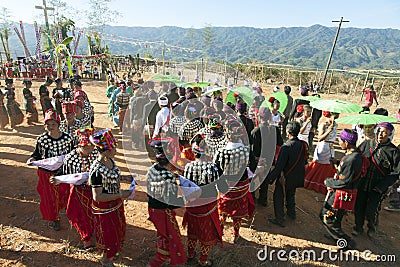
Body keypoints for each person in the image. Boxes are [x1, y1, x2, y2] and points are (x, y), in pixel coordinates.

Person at [88, 129, 133, 267]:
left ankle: (114, 253)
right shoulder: (96, 171)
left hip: (115, 204)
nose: (116, 151)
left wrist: (125, 178)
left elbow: (112, 176)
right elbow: (98, 196)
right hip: (105, 209)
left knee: (117, 230)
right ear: (106, 151)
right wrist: (121, 194)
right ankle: (106, 259)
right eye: (113, 148)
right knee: (108, 234)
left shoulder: (110, 161)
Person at [26, 109, 74, 231]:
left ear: (59, 125)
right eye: (48, 124)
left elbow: (72, 154)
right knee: (49, 197)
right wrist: (32, 159)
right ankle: (53, 218)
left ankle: (68, 212)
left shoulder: (68, 138)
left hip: (63, 172)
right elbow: (36, 154)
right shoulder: (41, 139)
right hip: (46, 174)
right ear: (44, 125)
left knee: (65, 193)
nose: (51, 127)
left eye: (53, 124)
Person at [353, 122, 400, 238]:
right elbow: (356, 157)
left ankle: (371, 227)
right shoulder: (367, 144)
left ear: (389, 134)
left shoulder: (393, 151)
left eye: (384, 132)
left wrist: (384, 186)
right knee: (359, 205)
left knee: (372, 209)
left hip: (378, 186)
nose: (380, 134)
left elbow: (396, 172)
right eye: (379, 131)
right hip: (363, 182)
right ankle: (358, 227)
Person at [146, 140, 187, 267]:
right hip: (164, 212)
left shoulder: (152, 169)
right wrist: (188, 197)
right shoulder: (168, 176)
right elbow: (172, 202)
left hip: (153, 209)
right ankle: (159, 261)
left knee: (163, 234)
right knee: (171, 237)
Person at [214, 119, 256, 243]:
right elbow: (253, 166)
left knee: (223, 210)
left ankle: (219, 234)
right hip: (241, 187)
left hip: (225, 187)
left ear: (227, 135)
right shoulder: (246, 150)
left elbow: (216, 170)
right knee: (237, 213)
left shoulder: (221, 151)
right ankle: (236, 235)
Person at [183, 139, 223, 266]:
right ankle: (203, 260)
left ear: (194, 154)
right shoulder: (214, 168)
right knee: (206, 234)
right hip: (208, 208)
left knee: (192, 231)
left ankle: (190, 254)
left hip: (193, 207)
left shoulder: (187, 167)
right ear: (206, 154)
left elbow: (185, 189)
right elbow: (223, 188)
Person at [320, 129, 362, 249]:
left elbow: (345, 181)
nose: (339, 143)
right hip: (345, 192)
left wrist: (328, 181)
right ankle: (335, 236)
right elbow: (348, 172)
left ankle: (345, 241)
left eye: (340, 140)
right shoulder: (353, 155)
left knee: (326, 216)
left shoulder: (351, 159)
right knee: (336, 217)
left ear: (347, 143)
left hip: (342, 193)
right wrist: (338, 163)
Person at [58, 127, 98, 249]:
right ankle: (86, 237)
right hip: (78, 191)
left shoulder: (97, 153)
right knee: (80, 214)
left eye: (91, 146)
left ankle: (97, 233)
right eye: (85, 147)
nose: (89, 149)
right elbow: (65, 174)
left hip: (95, 190)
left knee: (95, 213)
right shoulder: (71, 157)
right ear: (79, 146)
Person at [267, 121, 307, 227]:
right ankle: (291, 213)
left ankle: (279, 218)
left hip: (285, 177)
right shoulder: (302, 144)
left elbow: (279, 166)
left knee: (279, 196)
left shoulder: (286, 147)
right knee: (291, 194)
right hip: (296, 175)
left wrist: (270, 179)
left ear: (288, 132)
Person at [304, 111, 339, 194]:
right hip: (323, 147)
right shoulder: (323, 124)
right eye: (336, 114)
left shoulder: (336, 124)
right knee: (319, 164)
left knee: (329, 165)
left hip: (331, 147)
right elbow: (319, 138)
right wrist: (328, 131)